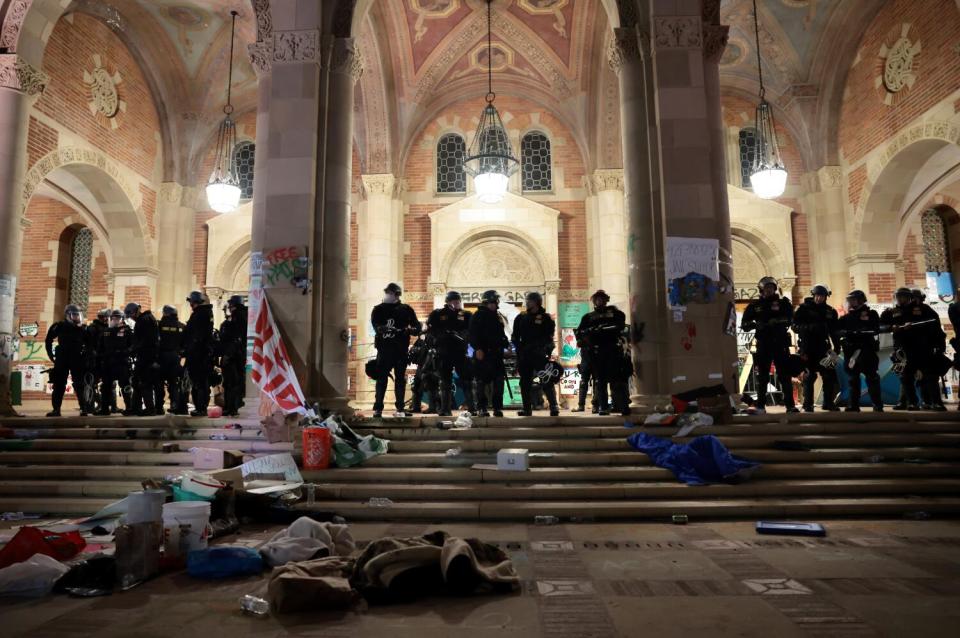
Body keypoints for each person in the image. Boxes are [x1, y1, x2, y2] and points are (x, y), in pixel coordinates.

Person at [881, 287, 945, 411]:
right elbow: (880, 325)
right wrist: (891, 327)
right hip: (903, 350)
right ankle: (912, 403)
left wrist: (938, 346)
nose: (899, 299)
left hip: (923, 348)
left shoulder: (923, 309)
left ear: (909, 297)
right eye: (898, 296)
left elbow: (934, 324)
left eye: (902, 296)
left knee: (930, 376)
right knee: (906, 377)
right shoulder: (892, 311)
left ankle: (936, 403)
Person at [741, 276, 798, 414]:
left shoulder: (783, 303)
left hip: (780, 343)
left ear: (775, 288)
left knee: (784, 375)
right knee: (763, 377)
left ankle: (790, 405)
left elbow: (791, 319)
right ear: (761, 289)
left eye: (771, 288)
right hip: (764, 344)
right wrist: (756, 324)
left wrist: (777, 321)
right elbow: (745, 325)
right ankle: (761, 406)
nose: (769, 290)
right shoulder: (755, 306)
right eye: (766, 288)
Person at [370, 283, 420, 418]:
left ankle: (400, 408)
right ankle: (378, 408)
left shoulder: (406, 309)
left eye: (389, 293)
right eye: (387, 292)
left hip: (400, 350)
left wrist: (409, 330)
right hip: (384, 350)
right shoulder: (378, 309)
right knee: (381, 380)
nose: (387, 295)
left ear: (396, 295)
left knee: (400, 380)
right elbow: (376, 325)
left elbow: (417, 327)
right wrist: (382, 329)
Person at [576, 290, 630, 416]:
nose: (599, 301)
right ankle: (603, 407)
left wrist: (605, 328)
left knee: (617, 379)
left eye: (602, 299)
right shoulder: (588, 317)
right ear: (594, 301)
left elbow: (620, 325)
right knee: (600, 381)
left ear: (606, 300)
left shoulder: (615, 314)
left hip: (612, 350)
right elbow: (580, 334)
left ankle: (622, 406)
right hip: (597, 352)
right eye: (597, 299)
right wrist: (590, 333)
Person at [792, 284, 841, 412]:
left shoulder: (830, 311)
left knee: (829, 375)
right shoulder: (803, 309)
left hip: (824, 348)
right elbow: (795, 326)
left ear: (826, 297)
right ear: (813, 295)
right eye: (817, 295)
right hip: (808, 347)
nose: (819, 298)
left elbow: (834, 331)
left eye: (822, 296)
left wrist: (837, 347)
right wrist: (810, 327)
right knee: (809, 376)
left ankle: (828, 403)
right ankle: (808, 404)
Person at [426, 290, 475, 416]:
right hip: (444, 352)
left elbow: (472, 330)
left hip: (460, 352)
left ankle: (472, 407)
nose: (457, 303)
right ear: (448, 302)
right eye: (454, 301)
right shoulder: (438, 314)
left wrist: (462, 335)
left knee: (467, 380)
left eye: (458, 301)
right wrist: (442, 335)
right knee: (445, 381)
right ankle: (445, 409)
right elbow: (431, 330)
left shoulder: (466, 314)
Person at [512, 291, 559, 417]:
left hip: (540, 353)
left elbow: (549, 337)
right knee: (525, 382)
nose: (527, 303)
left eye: (530, 301)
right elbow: (515, 337)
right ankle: (527, 408)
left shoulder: (546, 318)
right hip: (525, 354)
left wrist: (546, 350)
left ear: (537, 302)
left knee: (546, 379)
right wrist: (519, 349)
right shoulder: (521, 317)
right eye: (527, 301)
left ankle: (554, 406)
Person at [838, 290, 883, 412]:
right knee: (853, 379)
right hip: (851, 351)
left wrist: (863, 330)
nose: (851, 303)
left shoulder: (871, 314)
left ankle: (877, 405)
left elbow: (876, 327)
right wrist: (841, 333)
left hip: (867, 350)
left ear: (861, 300)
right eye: (850, 300)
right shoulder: (846, 317)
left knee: (872, 377)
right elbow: (837, 329)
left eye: (853, 300)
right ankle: (853, 405)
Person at [44, 304, 91, 417]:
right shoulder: (59, 326)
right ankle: (56, 409)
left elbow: (90, 344)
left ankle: (84, 408)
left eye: (78, 315)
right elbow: (48, 340)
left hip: (77, 358)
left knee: (80, 384)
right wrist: (51, 355)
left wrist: (88, 355)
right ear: (68, 315)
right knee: (59, 384)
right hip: (62, 357)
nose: (77, 317)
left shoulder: (83, 328)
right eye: (74, 315)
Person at [470, 290, 510, 417]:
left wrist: (506, 345)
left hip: (496, 355)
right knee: (481, 382)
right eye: (493, 302)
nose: (495, 304)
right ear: (487, 302)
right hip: (483, 354)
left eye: (495, 302)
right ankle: (482, 407)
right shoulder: (478, 315)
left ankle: (497, 408)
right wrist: (478, 349)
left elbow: (501, 334)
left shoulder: (497, 316)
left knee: (498, 382)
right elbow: (473, 334)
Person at [123, 302, 159, 416]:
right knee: (137, 381)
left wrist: (132, 350)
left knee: (144, 382)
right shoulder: (147, 319)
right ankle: (136, 408)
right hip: (146, 356)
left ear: (136, 311)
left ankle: (149, 409)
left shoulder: (144, 321)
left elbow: (144, 341)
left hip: (146, 357)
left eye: (132, 315)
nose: (132, 318)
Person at [183, 290, 215, 416]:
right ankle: (201, 407)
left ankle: (200, 408)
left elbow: (196, 336)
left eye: (191, 302)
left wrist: (190, 350)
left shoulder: (200, 314)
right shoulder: (206, 313)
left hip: (198, 355)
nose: (190, 304)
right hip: (202, 354)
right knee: (201, 382)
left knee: (198, 382)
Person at [98, 309, 133, 415]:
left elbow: (133, 345)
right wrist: (101, 357)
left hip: (122, 362)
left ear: (122, 319)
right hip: (108, 363)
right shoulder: (106, 331)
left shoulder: (127, 331)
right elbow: (100, 347)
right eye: (112, 318)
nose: (114, 320)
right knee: (106, 387)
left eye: (117, 318)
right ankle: (104, 409)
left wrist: (126, 352)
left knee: (125, 386)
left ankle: (129, 408)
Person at [219, 295, 249, 417]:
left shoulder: (238, 317)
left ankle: (231, 407)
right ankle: (233, 406)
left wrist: (227, 355)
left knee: (231, 383)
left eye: (230, 305)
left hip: (233, 356)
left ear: (234, 306)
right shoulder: (244, 316)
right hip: (239, 356)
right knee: (236, 382)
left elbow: (235, 339)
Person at [156, 305, 186, 415]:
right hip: (175, 357)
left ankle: (159, 407)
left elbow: (155, 342)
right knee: (174, 382)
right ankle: (174, 404)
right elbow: (185, 344)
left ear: (165, 313)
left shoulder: (159, 325)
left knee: (159, 383)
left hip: (161, 357)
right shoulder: (182, 326)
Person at [85, 309, 110, 413]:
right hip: (94, 360)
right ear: (101, 317)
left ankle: (107, 406)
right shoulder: (93, 328)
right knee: (91, 383)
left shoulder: (107, 328)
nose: (107, 319)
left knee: (107, 384)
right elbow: (88, 344)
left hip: (104, 359)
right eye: (106, 317)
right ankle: (90, 406)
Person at [409, 333, 441, 414]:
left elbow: (433, 351)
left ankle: (433, 407)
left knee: (431, 386)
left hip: (430, 366)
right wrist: (415, 350)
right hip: (421, 364)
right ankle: (416, 407)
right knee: (416, 386)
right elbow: (415, 347)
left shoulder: (434, 336)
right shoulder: (423, 336)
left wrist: (427, 366)